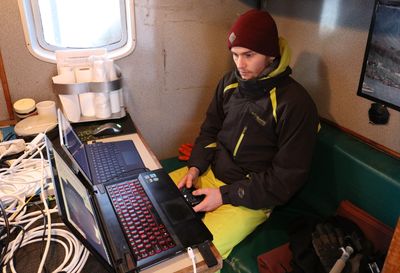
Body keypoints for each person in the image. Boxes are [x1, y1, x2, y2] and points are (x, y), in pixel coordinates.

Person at [169, 8, 320, 260]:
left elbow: (284, 180)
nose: (240, 64)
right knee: (149, 203)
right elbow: (209, 131)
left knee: (192, 258)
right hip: (208, 175)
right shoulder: (229, 83)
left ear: (270, 54)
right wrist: (195, 168)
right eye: (236, 55)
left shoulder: (296, 105)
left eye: (249, 55)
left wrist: (224, 196)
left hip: (249, 198)